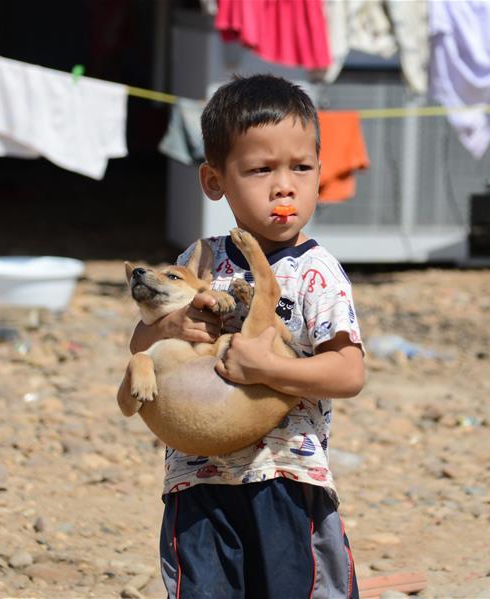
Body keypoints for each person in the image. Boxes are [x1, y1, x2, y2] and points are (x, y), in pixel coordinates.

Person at [128, 74, 365, 598]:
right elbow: (144, 346)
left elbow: (347, 372)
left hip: (285, 474)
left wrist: (267, 370)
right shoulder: (200, 259)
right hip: (198, 478)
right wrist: (171, 326)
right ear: (214, 182)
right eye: (260, 170)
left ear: (321, 175)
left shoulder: (317, 274)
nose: (284, 186)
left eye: (301, 168)